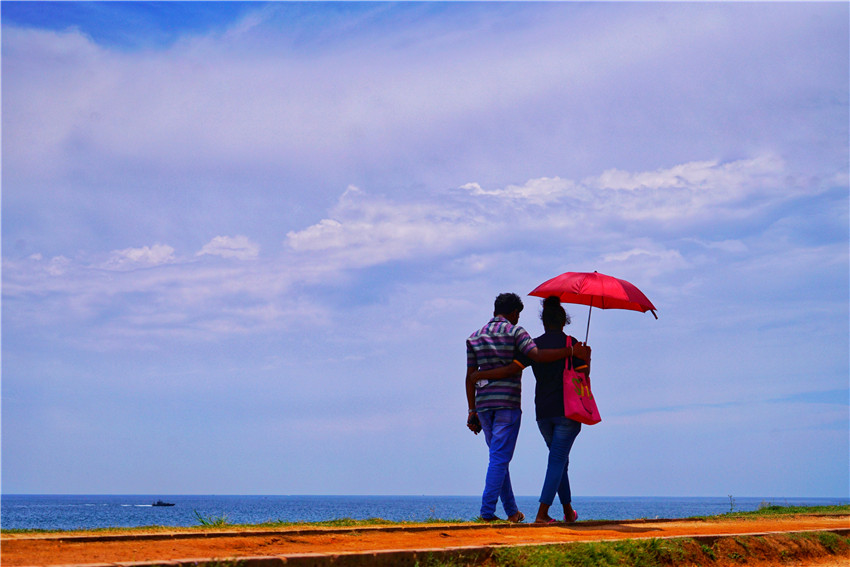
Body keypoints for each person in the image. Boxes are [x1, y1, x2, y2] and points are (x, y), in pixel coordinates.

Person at [465, 292, 590, 522]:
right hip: (537, 407)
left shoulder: (479, 338)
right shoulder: (529, 336)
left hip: (518, 410)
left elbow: (493, 371)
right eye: (518, 315)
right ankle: (503, 513)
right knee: (513, 458)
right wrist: (578, 354)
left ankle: (536, 511)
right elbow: (576, 374)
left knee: (504, 456)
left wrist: (475, 395)